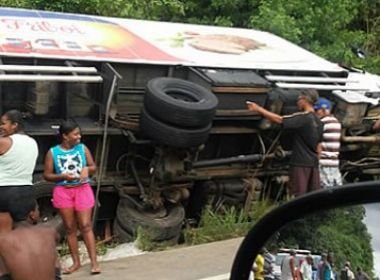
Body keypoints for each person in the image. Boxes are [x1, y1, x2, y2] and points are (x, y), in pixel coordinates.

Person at [43, 120, 101, 275]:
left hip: (82, 189)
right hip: (63, 190)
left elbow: (94, 167)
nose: (79, 137)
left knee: (86, 225)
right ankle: (76, 262)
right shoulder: (53, 152)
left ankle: (94, 263)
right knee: (70, 228)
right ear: (65, 136)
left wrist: (87, 170)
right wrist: (62, 176)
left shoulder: (83, 148)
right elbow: (47, 175)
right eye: (75, 134)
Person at [247, 90, 324, 197]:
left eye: (298, 100)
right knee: (311, 196)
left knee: (298, 195)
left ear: (304, 100)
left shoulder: (303, 118)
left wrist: (258, 109)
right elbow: (319, 148)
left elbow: (280, 120)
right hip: (314, 165)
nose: (297, 103)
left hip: (300, 163)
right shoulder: (319, 121)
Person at [0, 197, 59, 280]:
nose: (39, 211)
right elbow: (55, 267)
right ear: (32, 215)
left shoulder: (4, 241)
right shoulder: (50, 232)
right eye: (38, 209)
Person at [0, 109, 38, 233]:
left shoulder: (4, 142)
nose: (1, 127)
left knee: (3, 235)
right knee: (23, 233)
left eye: (3, 123)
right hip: (26, 192)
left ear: (14, 125)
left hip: (5, 191)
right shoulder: (33, 142)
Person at [314, 98, 342, 188]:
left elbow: (317, 143)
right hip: (334, 161)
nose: (315, 113)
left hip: (324, 161)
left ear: (323, 110)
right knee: (335, 188)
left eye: (316, 110)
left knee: (324, 190)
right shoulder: (337, 122)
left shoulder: (322, 123)